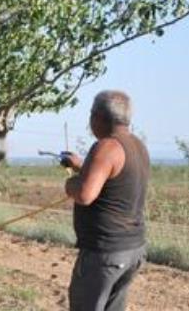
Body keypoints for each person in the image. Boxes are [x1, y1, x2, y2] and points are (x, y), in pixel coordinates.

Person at [62, 90, 149, 311]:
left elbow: (84, 194)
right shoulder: (137, 145)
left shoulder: (106, 147)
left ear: (98, 117)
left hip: (105, 253)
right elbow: (111, 176)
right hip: (131, 250)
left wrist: (70, 184)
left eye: (91, 114)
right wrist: (80, 165)